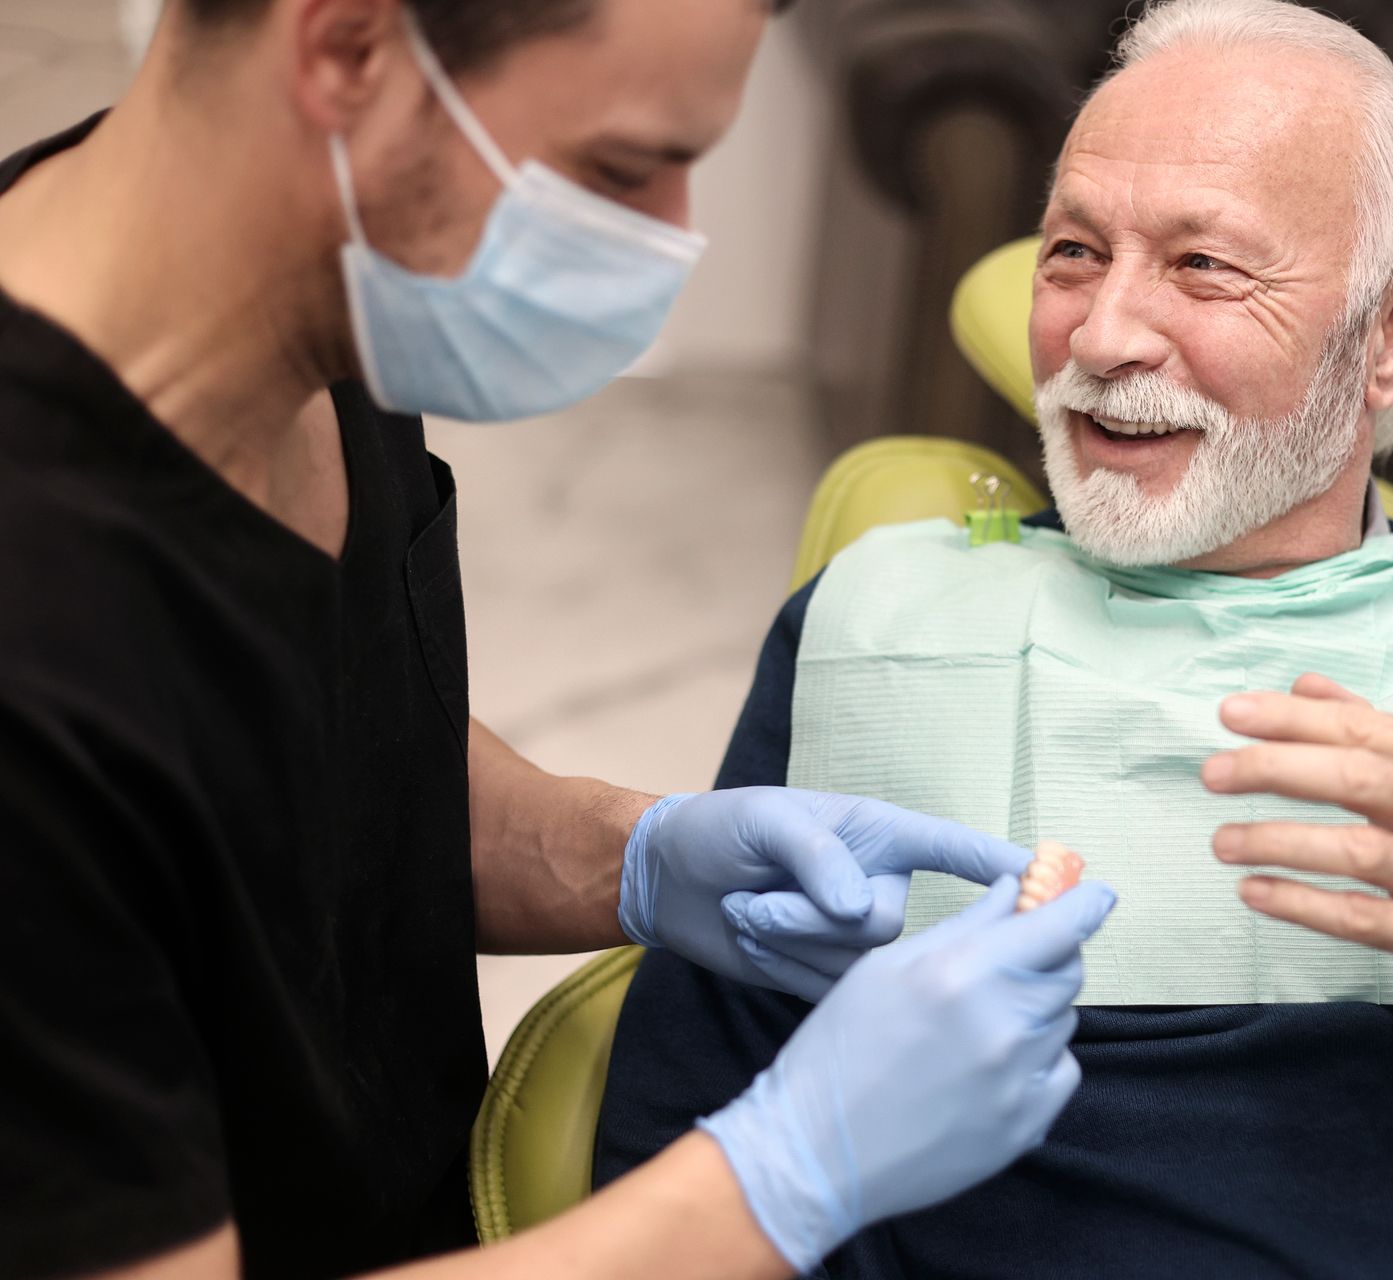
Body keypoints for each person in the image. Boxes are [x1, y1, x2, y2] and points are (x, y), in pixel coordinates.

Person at [593, 1, 1393, 1276]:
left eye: (1204, 265)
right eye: (1071, 251)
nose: (1103, 336)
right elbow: (672, 1177)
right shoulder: (872, 640)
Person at [0, 0, 1120, 1277]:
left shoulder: (322, 286)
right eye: (621, 170)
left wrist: (626, 852)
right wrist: (783, 1175)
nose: (671, 239)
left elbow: (286, 756)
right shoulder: (35, 643)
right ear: (349, 51)